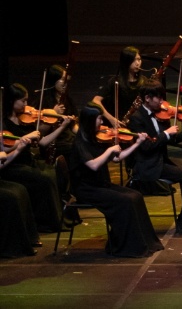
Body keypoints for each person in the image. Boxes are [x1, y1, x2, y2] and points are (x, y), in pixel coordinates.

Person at [68, 105, 162, 257]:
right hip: (87, 189)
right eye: (99, 119)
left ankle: (147, 242)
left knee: (136, 196)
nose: (102, 122)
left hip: (101, 184)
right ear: (89, 121)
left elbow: (117, 158)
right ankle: (124, 246)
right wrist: (109, 150)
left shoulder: (96, 139)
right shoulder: (79, 143)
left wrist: (137, 143)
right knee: (125, 201)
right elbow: (93, 165)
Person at [126, 80, 182, 235]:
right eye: (158, 97)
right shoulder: (137, 119)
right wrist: (165, 133)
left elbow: (173, 139)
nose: (162, 102)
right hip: (147, 164)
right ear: (147, 98)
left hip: (161, 160)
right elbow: (146, 147)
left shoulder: (160, 114)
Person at [2, 84, 70, 233]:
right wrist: (26, 138)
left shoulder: (24, 119)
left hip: (28, 161)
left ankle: (58, 219)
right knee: (43, 179)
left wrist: (62, 127)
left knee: (53, 172)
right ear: (12, 101)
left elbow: (43, 142)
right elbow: (5, 148)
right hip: (13, 165)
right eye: (23, 101)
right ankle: (44, 223)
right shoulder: (3, 123)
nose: (26, 104)